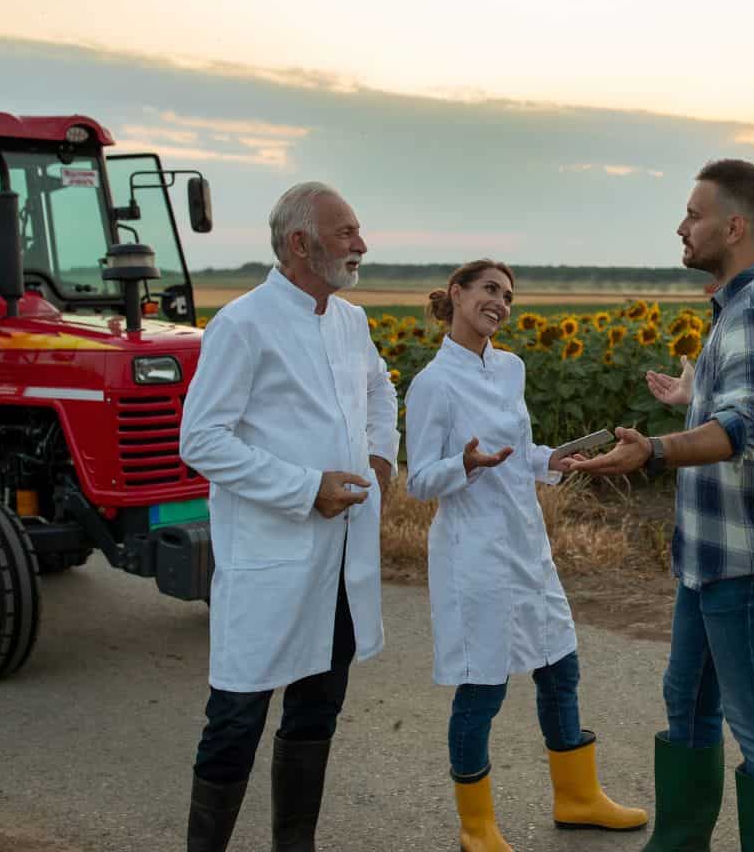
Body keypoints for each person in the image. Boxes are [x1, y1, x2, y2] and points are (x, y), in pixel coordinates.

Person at [570, 159, 754, 852]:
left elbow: (741, 432)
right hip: (713, 558)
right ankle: (677, 843)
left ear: (734, 226)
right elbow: (744, 403)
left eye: (695, 215)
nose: (682, 226)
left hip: (747, 561)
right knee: (687, 703)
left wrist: (651, 449)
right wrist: (695, 394)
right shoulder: (741, 308)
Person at [179, 181, 399, 852]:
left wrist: (380, 464)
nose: (360, 245)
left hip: (337, 561)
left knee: (315, 713)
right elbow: (202, 441)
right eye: (345, 234)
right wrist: (307, 488)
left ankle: (293, 845)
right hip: (272, 557)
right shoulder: (242, 325)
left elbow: (380, 389)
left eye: (358, 230)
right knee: (238, 716)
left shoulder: (349, 321)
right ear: (300, 244)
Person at [404, 259, 647, 851]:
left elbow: (520, 448)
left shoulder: (510, 367)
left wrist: (551, 461)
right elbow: (418, 480)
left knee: (559, 668)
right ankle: (477, 826)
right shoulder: (433, 383)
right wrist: (463, 464)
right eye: (489, 290)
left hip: (525, 543)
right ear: (457, 294)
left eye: (508, 296)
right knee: (482, 688)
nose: (500, 303)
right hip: (474, 556)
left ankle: (577, 798)